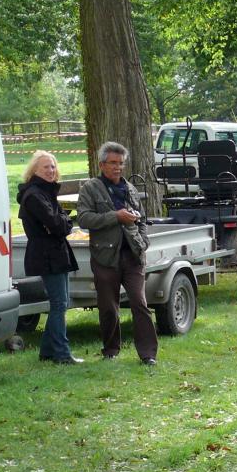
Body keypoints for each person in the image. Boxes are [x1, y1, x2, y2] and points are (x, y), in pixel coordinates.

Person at [77, 141, 158, 365]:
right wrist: (115, 216)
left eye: (121, 163)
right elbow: (83, 219)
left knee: (140, 304)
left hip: (132, 256)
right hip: (105, 258)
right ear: (102, 164)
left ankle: (148, 354)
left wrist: (143, 241)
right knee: (108, 308)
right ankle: (111, 350)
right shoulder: (90, 188)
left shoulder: (130, 189)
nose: (118, 167)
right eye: (113, 163)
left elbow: (141, 219)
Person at [17, 150, 81, 365]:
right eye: (46, 167)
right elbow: (57, 224)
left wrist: (61, 223)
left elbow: (60, 222)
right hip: (47, 255)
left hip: (55, 252)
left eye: (53, 166)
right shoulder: (34, 195)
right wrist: (62, 223)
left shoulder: (46, 192)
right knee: (59, 304)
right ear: (34, 170)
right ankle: (61, 354)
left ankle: (47, 352)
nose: (51, 170)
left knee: (60, 303)